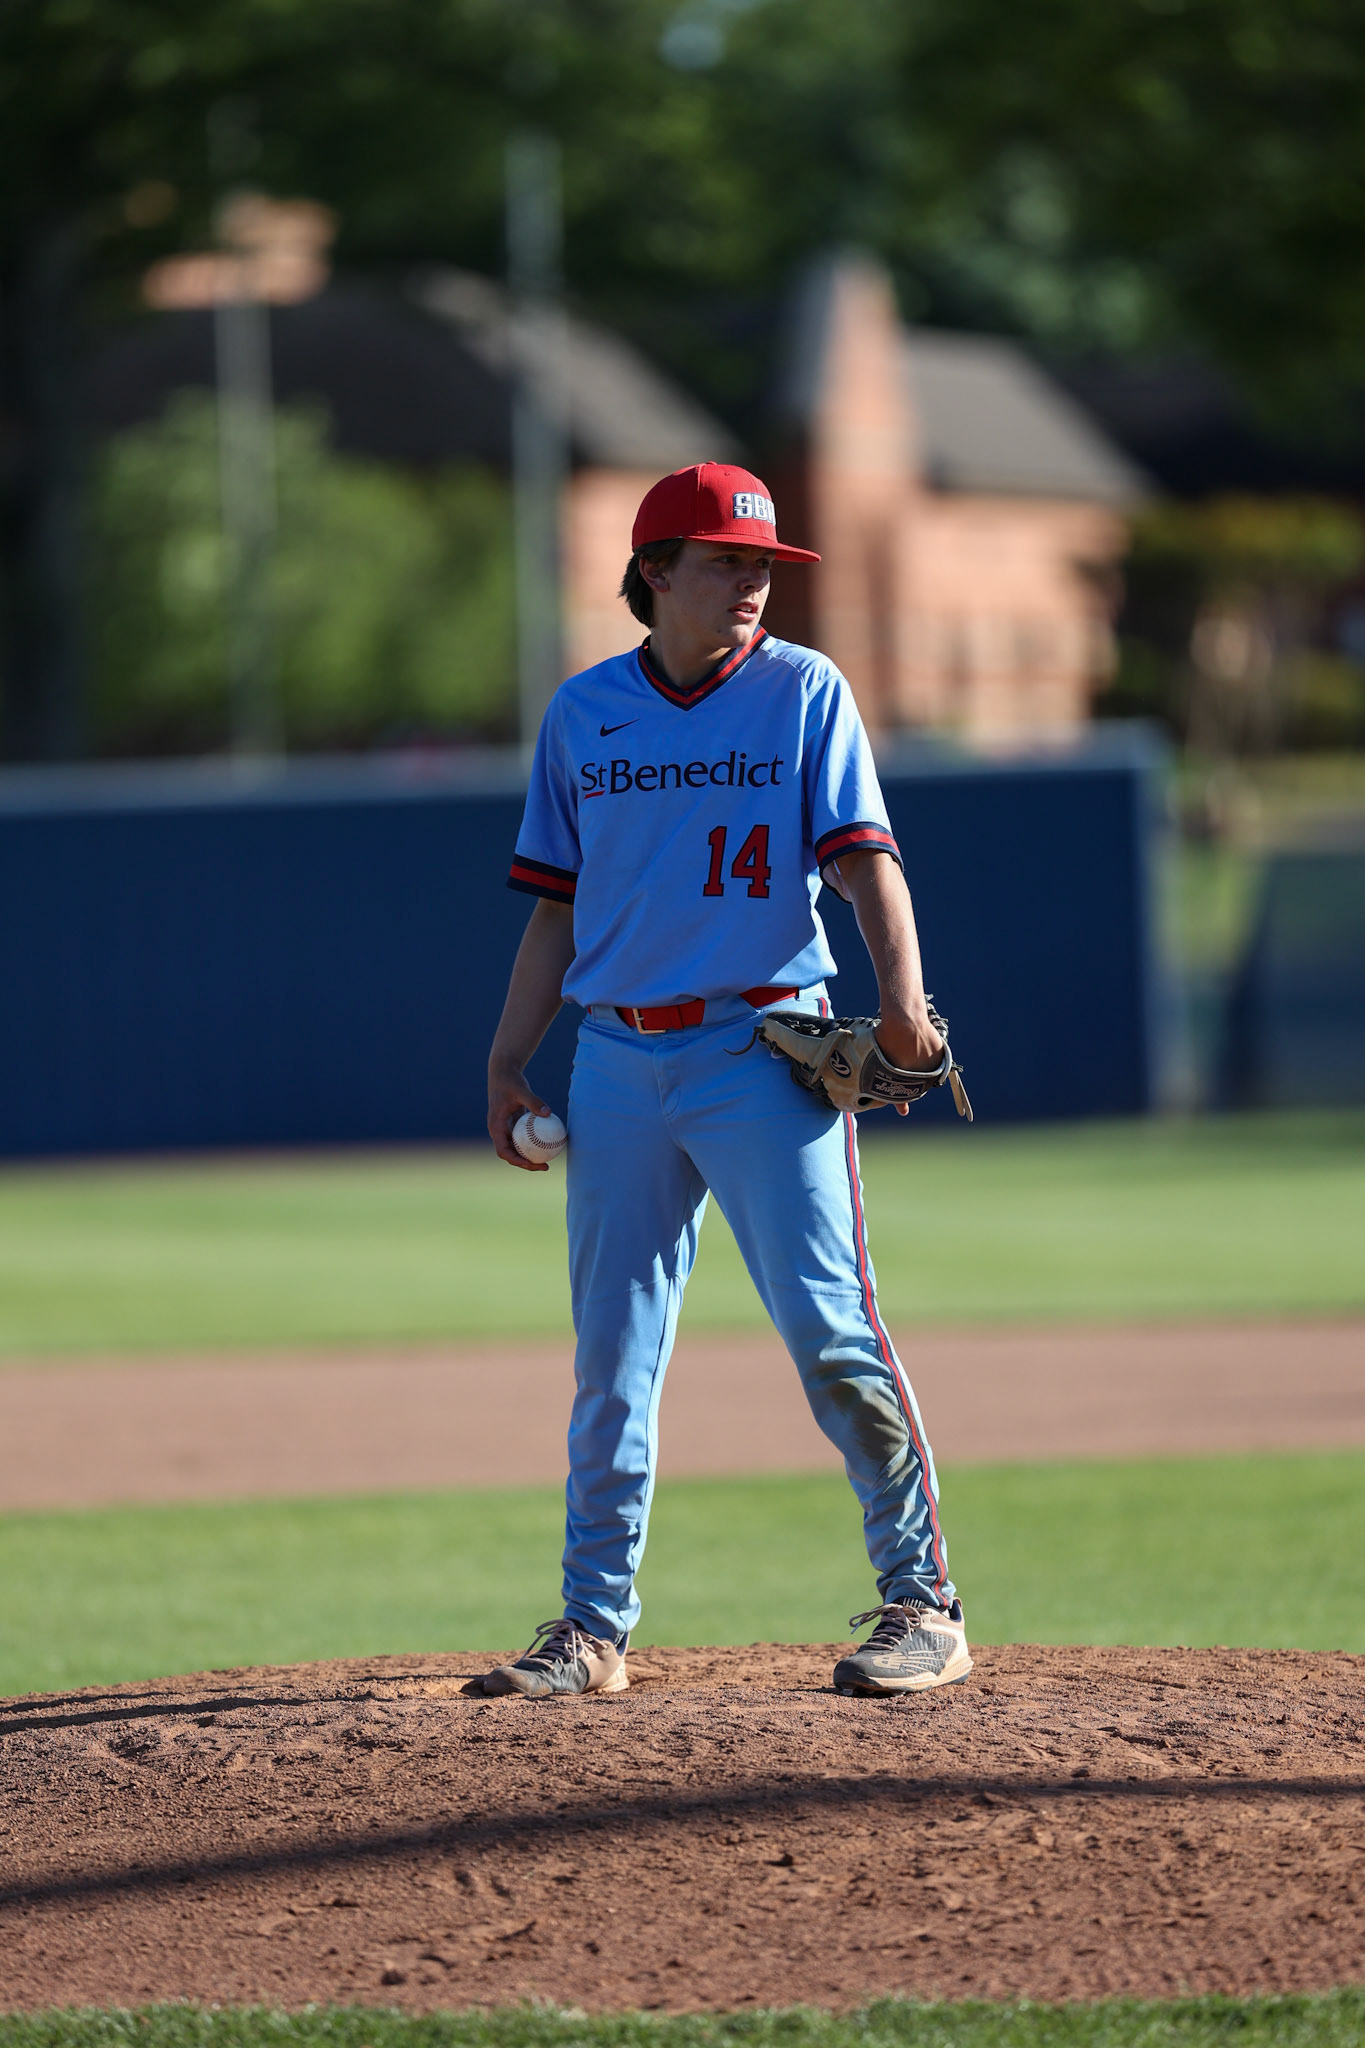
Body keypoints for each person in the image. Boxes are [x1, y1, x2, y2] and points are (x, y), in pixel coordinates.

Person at [483, 462, 970, 1699]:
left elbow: (869, 865)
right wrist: (506, 1055)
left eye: (763, 565)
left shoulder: (805, 690)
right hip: (616, 1061)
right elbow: (551, 911)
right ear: (652, 574)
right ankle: (592, 1630)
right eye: (724, 562)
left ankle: (925, 1603)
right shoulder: (584, 712)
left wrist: (904, 1001)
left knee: (831, 1333)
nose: (752, 583)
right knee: (615, 1357)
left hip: (765, 1053)